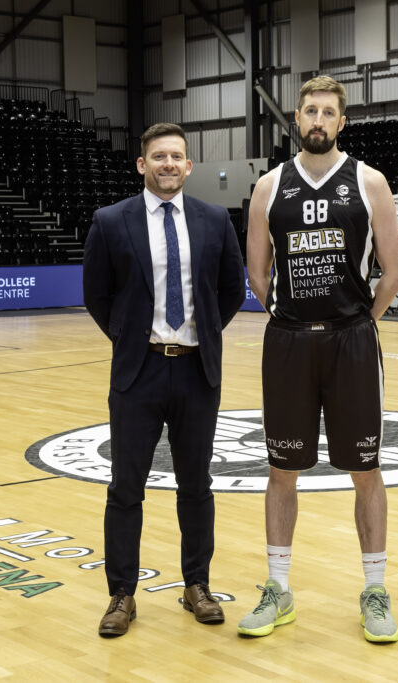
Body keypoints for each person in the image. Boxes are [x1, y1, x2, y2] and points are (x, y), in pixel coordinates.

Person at [238, 75, 398, 643]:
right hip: (288, 341)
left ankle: (375, 591)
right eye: (309, 110)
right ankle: (278, 588)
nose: (317, 120)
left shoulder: (369, 181)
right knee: (281, 469)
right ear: (296, 117)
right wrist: (291, 315)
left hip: (351, 341)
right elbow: (257, 274)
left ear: (342, 121)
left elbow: (394, 270)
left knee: (366, 469)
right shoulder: (268, 186)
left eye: (328, 112)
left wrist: (361, 323)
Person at [83, 122, 245, 637]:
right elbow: (97, 294)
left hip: (197, 369)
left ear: (189, 165)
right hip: (140, 371)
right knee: (126, 488)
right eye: (158, 157)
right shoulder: (110, 221)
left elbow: (230, 289)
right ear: (142, 165)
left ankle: (197, 585)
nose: (168, 164)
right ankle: (121, 595)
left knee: (196, 486)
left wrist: (202, 334)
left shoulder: (215, 219)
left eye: (176, 156)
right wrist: (132, 338)